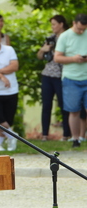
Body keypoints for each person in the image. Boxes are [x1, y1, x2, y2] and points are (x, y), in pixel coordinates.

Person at [54, 13, 87, 148]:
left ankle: (82, 136)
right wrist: (74, 59)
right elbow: (57, 58)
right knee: (73, 110)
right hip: (70, 79)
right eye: (79, 29)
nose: (81, 31)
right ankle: (75, 139)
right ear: (74, 23)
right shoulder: (64, 36)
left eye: (84, 29)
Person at [36, 15, 71, 142]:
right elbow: (40, 57)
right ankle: (45, 134)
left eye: (54, 24)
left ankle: (66, 134)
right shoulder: (50, 39)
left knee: (64, 105)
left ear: (61, 24)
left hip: (62, 76)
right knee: (46, 105)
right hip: (47, 75)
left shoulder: (69, 37)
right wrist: (43, 49)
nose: (52, 27)